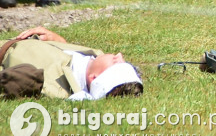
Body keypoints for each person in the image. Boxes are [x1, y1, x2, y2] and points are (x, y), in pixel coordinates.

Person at [1, 26, 142, 99]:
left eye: (116, 63)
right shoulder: (95, 56)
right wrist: (58, 41)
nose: (118, 55)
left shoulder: (52, 86)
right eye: (123, 61)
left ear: (93, 78)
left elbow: (11, 79)